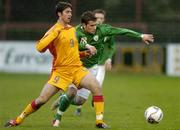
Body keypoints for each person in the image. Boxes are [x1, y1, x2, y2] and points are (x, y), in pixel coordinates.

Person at [4, 2, 108, 129]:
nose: (70, 14)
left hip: (77, 69)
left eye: (70, 12)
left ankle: (99, 122)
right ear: (59, 14)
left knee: (96, 87)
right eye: (67, 12)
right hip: (61, 72)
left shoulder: (71, 29)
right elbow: (39, 47)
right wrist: (55, 33)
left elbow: (71, 51)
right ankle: (18, 119)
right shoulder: (53, 30)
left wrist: (84, 53)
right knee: (42, 99)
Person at [52, 10, 154, 126]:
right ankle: (60, 117)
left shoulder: (103, 30)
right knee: (72, 92)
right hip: (76, 66)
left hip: (92, 68)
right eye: (93, 24)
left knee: (80, 100)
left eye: (97, 23)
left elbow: (121, 31)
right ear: (84, 24)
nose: (95, 27)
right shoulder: (76, 31)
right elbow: (69, 45)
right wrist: (85, 46)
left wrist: (140, 35)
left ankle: (63, 99)